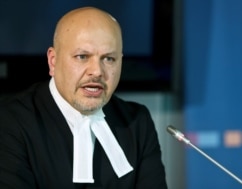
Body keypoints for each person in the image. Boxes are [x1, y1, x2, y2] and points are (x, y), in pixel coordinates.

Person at [0, 7, 168, 189]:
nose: (97, 71)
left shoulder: (138, 122)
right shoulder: (9, 121)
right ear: (53, 61)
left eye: (109, 59)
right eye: (82, 56)